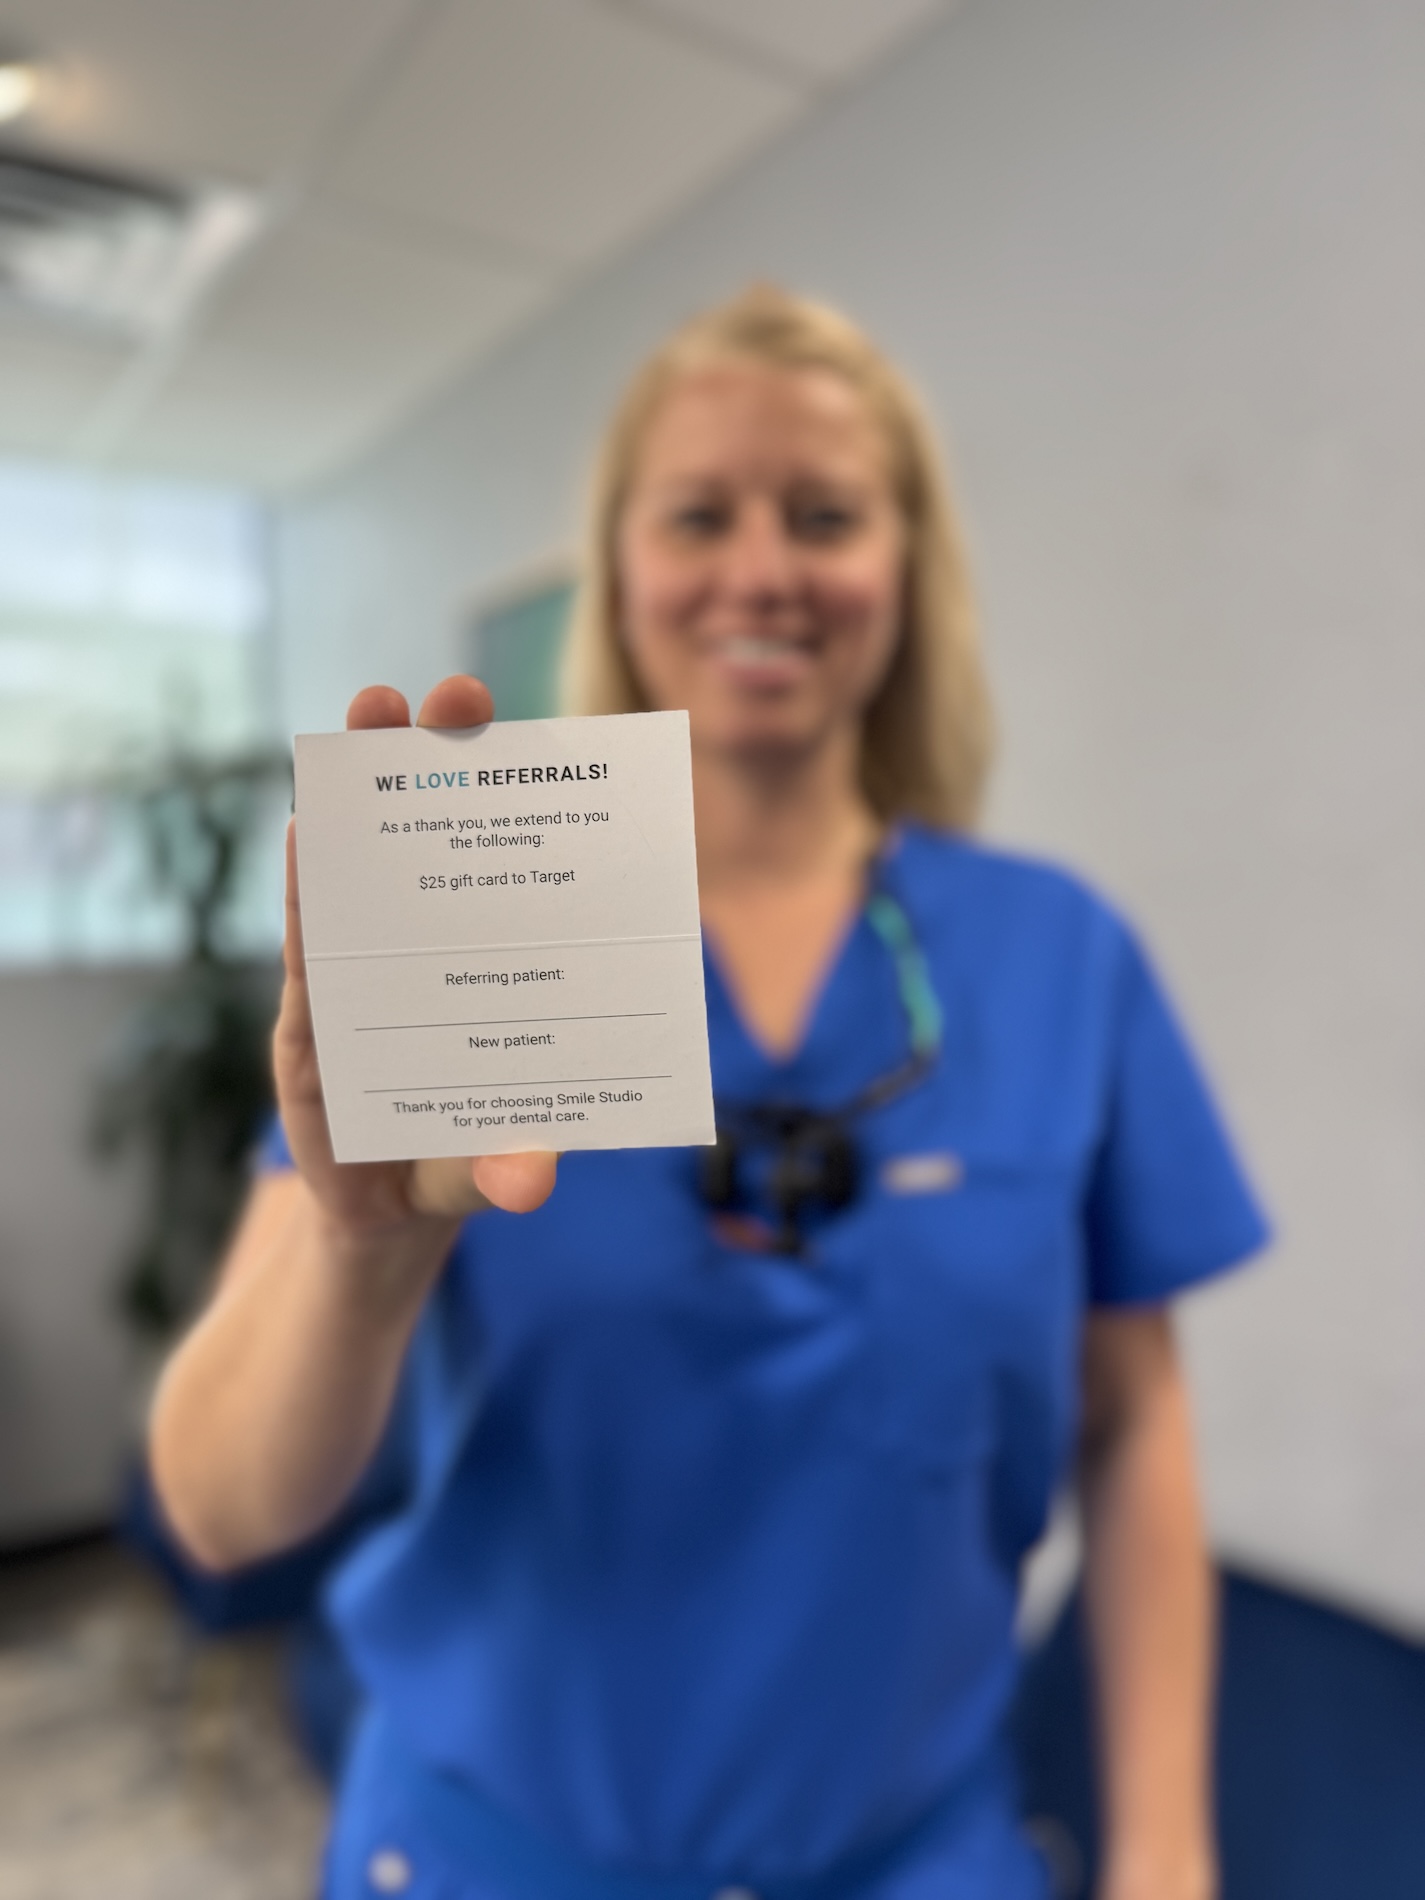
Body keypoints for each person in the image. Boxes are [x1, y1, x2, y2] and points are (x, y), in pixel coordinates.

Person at [150, 287, 1268, 1900]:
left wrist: (1165, 1852)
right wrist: (361, 1259)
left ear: (904, 570)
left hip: (914, 1855)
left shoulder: (1057, 955)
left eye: (822, 515)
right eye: (698, 515)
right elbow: (215, 1504)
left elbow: (1134, 1412)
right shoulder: (487, 926)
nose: (761, 570)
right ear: (620, 568)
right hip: (499, 1854)